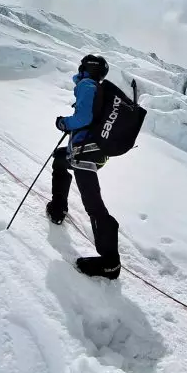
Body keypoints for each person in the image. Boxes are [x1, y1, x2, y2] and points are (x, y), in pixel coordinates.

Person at [46, 54, 121, 280]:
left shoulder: (87, 85)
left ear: (86, 68)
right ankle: (58, 208)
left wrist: (63, 123)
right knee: (60, 160)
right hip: (90, 151)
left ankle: (110, 263)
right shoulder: (98, 88)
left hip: (85, 152)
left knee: (93, 204)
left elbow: (84, 118)